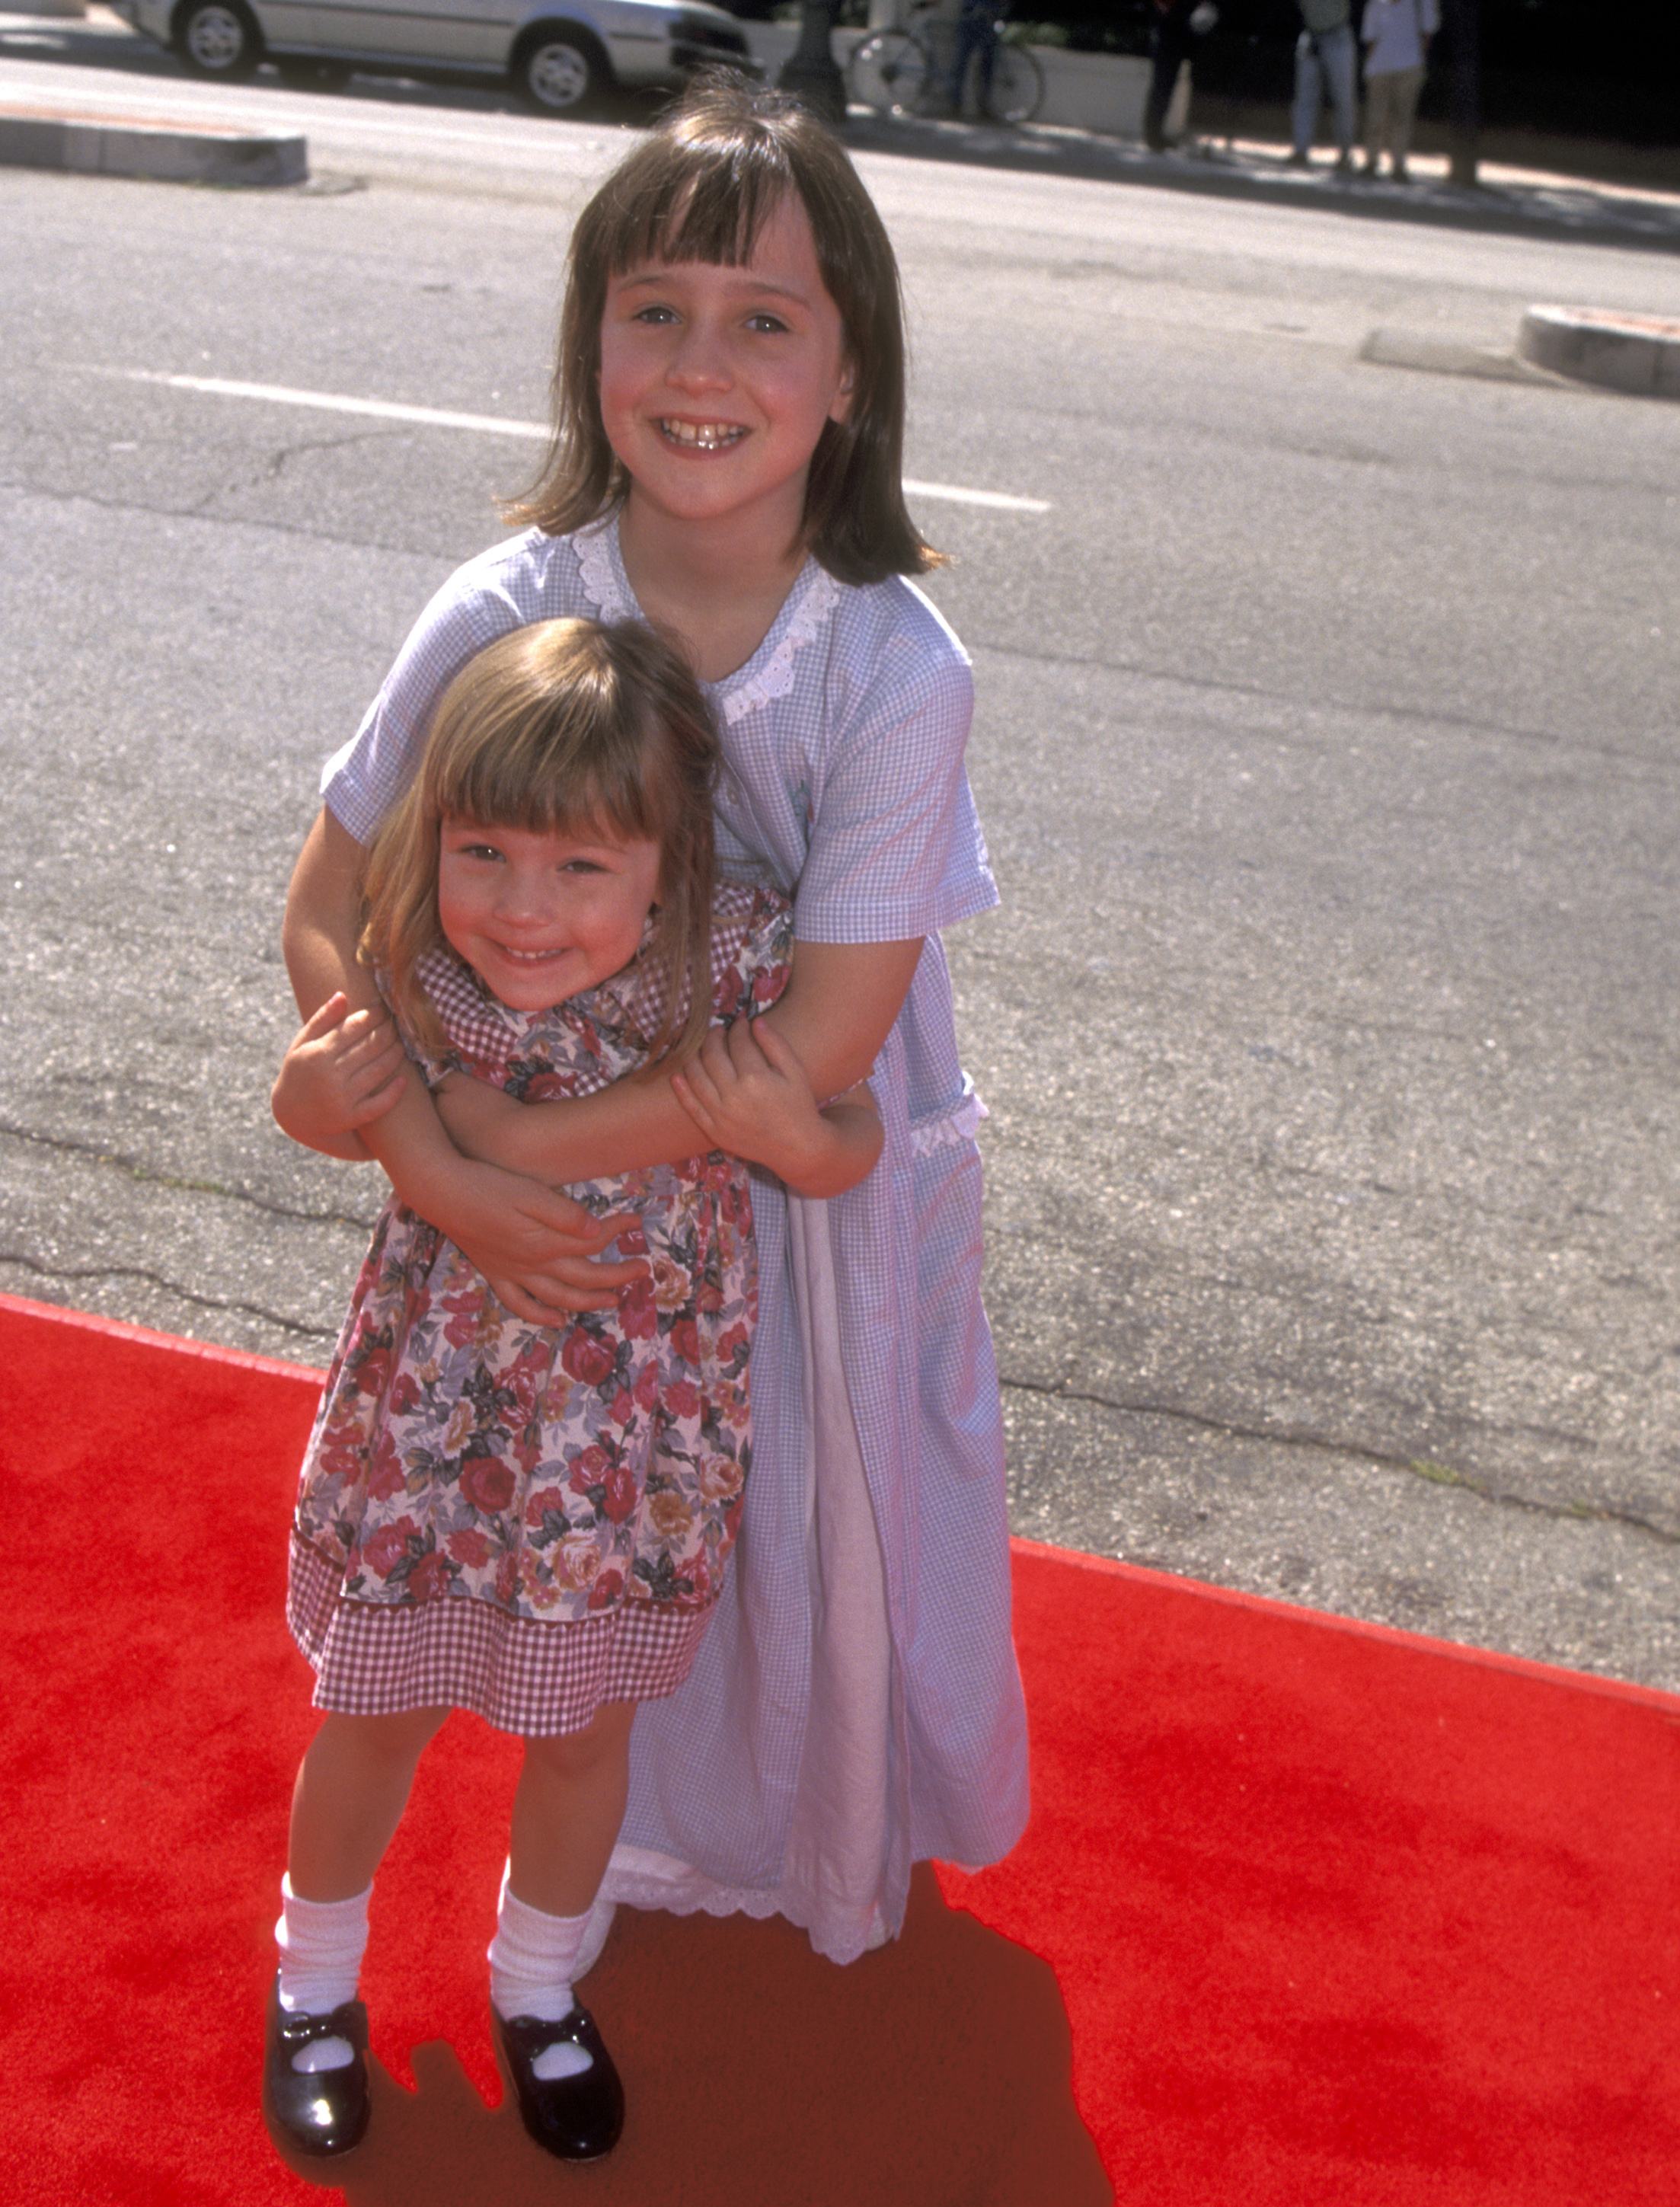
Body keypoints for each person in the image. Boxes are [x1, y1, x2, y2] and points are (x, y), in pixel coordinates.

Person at [275, 75, 1032, 2020]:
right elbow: (331, 902)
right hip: (523, 1158)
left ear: (849, 370)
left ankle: (746, 1834)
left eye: (765, 318)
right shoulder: (511, 601)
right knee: (543, 1522)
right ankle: (433, 1935)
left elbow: (814, 1053)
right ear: (587, 341)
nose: (703, 362)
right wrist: (435, 1165)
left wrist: (480, 1154)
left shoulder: (889, 666)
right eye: (655, 308)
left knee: (793, 1504)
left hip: (777, 1186)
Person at [265, 615, 883, 2166]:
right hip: (433, 1433)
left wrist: (812, 1146)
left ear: (669, 861)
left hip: (631, 1450)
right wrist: (303, 1097)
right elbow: (327, 1097)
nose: (521, 912)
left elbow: (851, 1118)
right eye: (482, 853)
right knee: (372, 1714)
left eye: (579, 870)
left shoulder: (733, 969)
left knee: (586, 1736)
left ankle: (538, 1985)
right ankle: (310, 1985)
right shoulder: (417, 971)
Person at [1359, 0, 1437, 180]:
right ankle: (1372, 161)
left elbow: (1428, 34)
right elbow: (1370, 39)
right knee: (1376, 117)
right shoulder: (1376, 5)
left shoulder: (1421, 4)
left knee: (1402, 118)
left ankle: (1398, 164)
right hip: (1379, 68)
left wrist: (1414, 59)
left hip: (1409, 67)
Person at [1288, 0, 1358, 171]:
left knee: (1343, 99)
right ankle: (1300, 150)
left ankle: (1346, 153)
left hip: (1337, 35)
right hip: (1311, 35)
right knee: (1304, 98)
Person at [1142, 0, 1218, 156]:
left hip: (1181, 28)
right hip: (1169, 29)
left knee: (1167, 85)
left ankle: (1156, 134)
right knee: (1163, 84)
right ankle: (1153, 135)